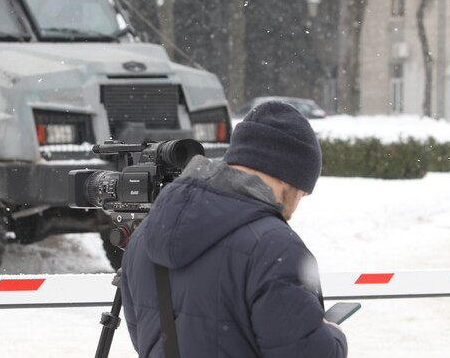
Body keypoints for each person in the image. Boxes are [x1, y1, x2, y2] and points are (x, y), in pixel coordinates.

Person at [120, 101, 347, 357]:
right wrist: (333, 334)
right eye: (301, 194)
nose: (293, 212)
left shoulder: (144, 235)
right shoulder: (274, 247)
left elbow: (145, 339)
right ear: (286, 177)